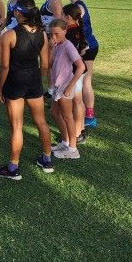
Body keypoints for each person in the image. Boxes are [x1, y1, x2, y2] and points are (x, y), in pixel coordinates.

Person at [0, 0, 53, 175]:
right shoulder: (42, 34)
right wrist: (37, 78)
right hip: (34, 81)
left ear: (20, 13)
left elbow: (4, 66)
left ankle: (13, 167)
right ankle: (47, 160)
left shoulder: (9, 35)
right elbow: (45, 65)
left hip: (15, 82)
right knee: (41, 122)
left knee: (17, 126)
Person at [62, 0, 99, 128]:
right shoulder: (75, 5)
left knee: (85, 81)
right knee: (83, 81)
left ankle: (88, 116)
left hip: (86, 47)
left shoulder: (77, 7)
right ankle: (84, 112)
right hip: (85, 46)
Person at [48, 19, 86, 159]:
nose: (53, 37)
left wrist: (70, 86)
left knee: (67, 117)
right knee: (54, 112)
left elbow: (81, 66)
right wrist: (51, 48)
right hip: (58, 86)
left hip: (65, 86)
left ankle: (73, 150)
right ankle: (65, 142)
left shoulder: (68, 46)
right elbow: (51, 64)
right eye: (51, 34)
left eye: (57, 34)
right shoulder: (57, 45)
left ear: (65, 31)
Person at [62, 3, 89, 144]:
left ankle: (78, 132)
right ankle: (81, 129)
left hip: (75, 71)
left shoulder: (70, 33)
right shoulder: (78, 29)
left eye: (62, 15)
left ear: (67, 17)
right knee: (78, 102)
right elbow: (83, 49)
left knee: (77, 102)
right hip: (80, 69)